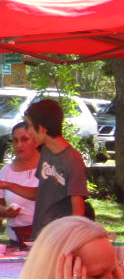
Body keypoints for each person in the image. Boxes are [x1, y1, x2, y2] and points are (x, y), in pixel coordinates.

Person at [25, 98, 88, 239]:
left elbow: (78, 212)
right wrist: (6, 185)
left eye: (29, 126)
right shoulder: (46, 152)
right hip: (39, 236)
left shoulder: (73, 160)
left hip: (58, 239)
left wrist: (65, 240)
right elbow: (42, 193)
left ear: (41, 129)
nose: (28, 131)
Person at [0, 121, 40, 247]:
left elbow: (42, 194)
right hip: (15, 239)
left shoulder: (47, 168)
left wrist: (8, 185)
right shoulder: (6, 171)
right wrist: (5, 211)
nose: (19, 145)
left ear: (36, 141)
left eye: (24, 139)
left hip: (44, 238)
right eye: (15, 140)